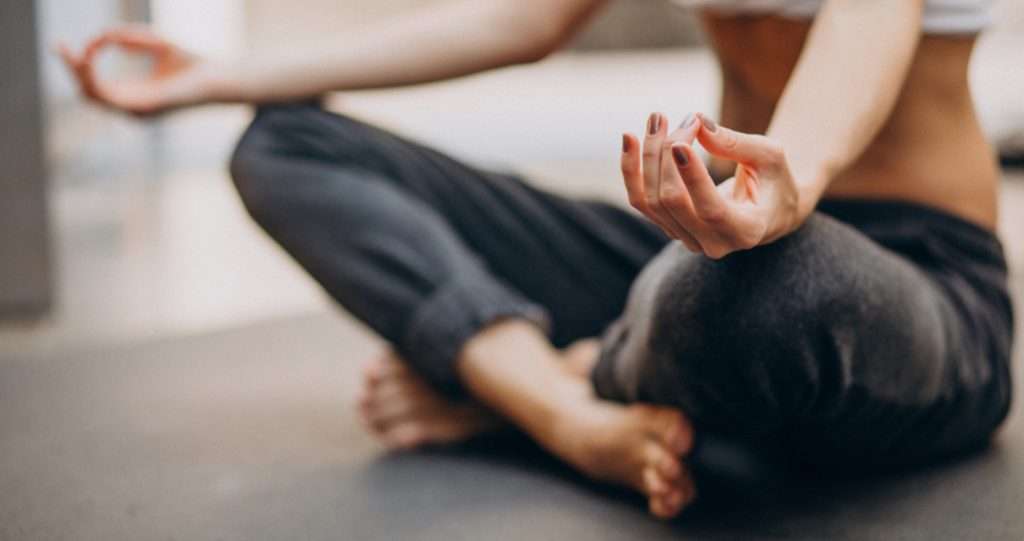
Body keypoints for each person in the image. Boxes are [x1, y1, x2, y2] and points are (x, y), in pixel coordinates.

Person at [60, 0, 1014, 520]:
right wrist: (218, 80)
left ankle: (514, 381)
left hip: (912, 292)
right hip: (702, 252)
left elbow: (873, 18)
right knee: (283, 147)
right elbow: (516, 20)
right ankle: (564, 413)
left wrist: (788, 184)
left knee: (756, 288)